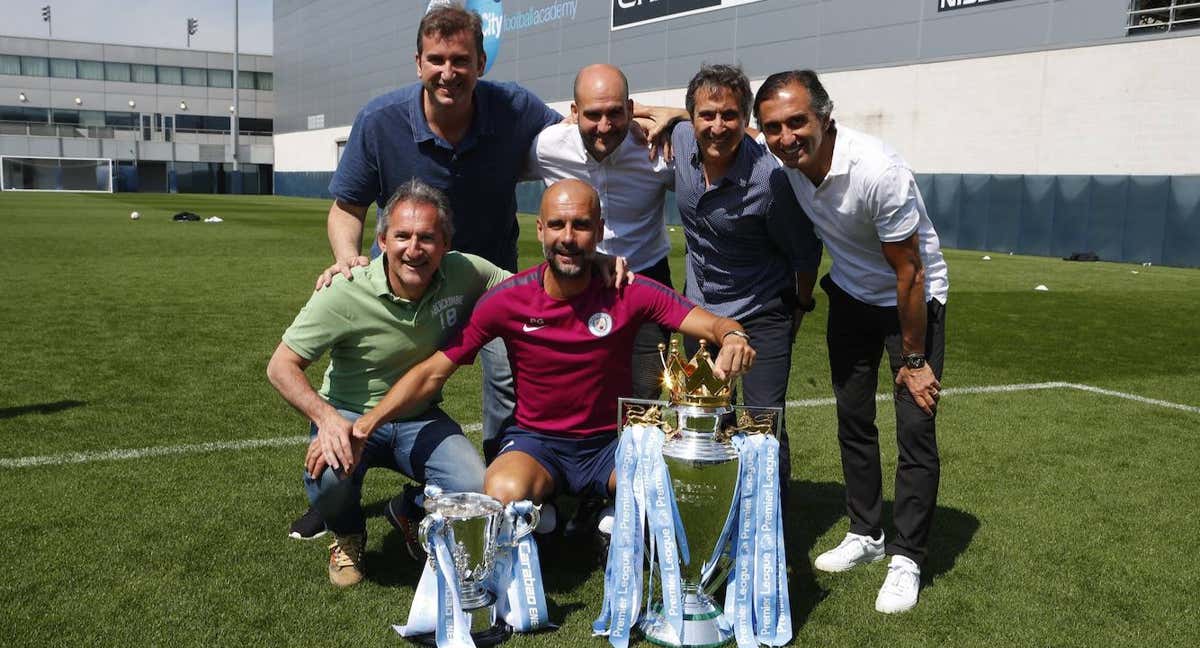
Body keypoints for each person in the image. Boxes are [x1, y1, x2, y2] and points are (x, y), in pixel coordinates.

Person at [289, 5, 561, 540]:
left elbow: (583, 133)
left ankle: (501, 489)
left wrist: (644, 110)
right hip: (409, 275)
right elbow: (347, 206)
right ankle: (338, 495)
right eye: (436, 59)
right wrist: (347, 257)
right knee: (379, 377)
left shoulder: (514, 107)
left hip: (487, 281)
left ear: (482, 62)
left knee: (511, 379)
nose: (448, 72)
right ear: (418, 63)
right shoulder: (380, 119)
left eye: (461, 60)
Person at [344, 179, 756, 519]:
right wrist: (368, 423)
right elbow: (435, 370)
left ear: (599, 229)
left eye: (581, 225)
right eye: (557, 225)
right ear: (539, 229)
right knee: (502, 493)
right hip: (537, 445)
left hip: (610, 445)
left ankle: (589, 514)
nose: (568, 238)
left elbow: (713, 323)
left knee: (667, 493)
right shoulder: (506, 300)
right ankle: (571, 514)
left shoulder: (628, 291)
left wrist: (734, 337)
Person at [753, 69, 949, 614]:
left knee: (915, 424)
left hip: (911, 301)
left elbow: (909, 272)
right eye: (774, 127)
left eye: (798, 122)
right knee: (853, 418)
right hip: (851, 296)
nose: (786, 136)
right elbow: (727, 128)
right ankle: (867, 533)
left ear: (825, 116)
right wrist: (668, 116)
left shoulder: (878, 171)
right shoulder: (782, 158)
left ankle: (907, 556)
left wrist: (913, 359)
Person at [267, 179, 503, 587]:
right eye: (403, 236)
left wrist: (597, 265)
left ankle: (410, 508)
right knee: (327, 475)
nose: (414, 249)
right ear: (381, 240)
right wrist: (326, 419)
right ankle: (349, 534)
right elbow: (281, 366)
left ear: (445, 243)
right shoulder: (344, 292)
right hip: (346, 416)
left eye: (427, 237)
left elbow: (533, 288)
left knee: (475, 490)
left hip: (419, 416)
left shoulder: (465, 271)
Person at [670, 64, 822, 498]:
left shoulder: (769, 179)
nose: (718, 126)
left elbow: (804, 252)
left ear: (746, 120)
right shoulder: (681, 140)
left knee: (761, 427)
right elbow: (658, 118)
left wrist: (799, 309)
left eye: (730, 115)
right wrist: (647, 110)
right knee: (703, 420)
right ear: (692, 117)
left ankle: (772, 535)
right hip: (699, 315)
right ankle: (714, 514)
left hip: (760, 315)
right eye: (707, 115)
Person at [525, 63, 676, 402]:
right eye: (592, 115)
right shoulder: (548, 146)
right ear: (574, 112)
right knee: (574, 396)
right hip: (576, 282)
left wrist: (676, 116)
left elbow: (738, 136)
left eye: (615, 113)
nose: (604, 127)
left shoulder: (657, 149)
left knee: (644, 401)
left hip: (645, 285)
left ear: (631, 110)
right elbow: (497, 170)